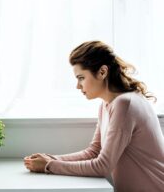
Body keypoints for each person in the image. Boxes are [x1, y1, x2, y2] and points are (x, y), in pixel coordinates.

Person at [24, 41, 164, 192]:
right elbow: (94, 151)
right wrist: (52, 158)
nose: (78, 85)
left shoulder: (125, 104)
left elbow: (102, 166)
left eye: (81, 77)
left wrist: (48, 166)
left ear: (102, 72)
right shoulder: (107, 104)